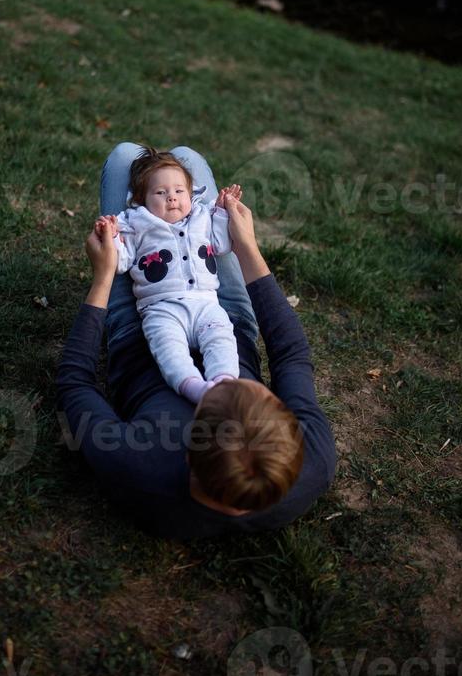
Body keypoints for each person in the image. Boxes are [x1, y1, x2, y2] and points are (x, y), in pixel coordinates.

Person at [56, 142, 337, 540]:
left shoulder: (135, 467)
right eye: (255, 388)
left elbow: (74, 381)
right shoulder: (312, 462)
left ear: (188, 450)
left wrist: (103, 277)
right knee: (186, 160)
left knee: (125, 156)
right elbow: (290, 356)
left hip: (141, 321)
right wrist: (245, 246)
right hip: (226, 317)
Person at [93, 145, 244, 406]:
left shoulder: (202, 216)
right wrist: (113, 237)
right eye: (160, 193)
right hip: (161, 309)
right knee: (168, 349)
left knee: (221, 339)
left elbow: (222, 246)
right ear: (141, 200)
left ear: (191, 194)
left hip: (207, 304)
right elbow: (121, 262)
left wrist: (221, 212)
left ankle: (224, 380)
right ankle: (193, 387)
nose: (171, 198)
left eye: (178, 191)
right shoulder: (136, 222)